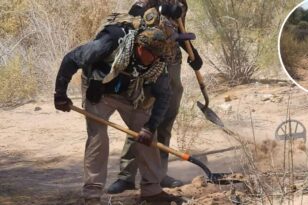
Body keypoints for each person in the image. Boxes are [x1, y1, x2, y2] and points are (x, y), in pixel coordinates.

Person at [54, 15, 186, 204]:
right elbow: (71, 59)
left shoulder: (158, 64)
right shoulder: (110, 42)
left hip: (132, 92)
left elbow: (164, 96)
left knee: (148, 136)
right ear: (140, 47)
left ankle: (152, 190)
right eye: (153, 54)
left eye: (159, 55)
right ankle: (92, 193)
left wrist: (150, 127)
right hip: (99, 90)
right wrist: (60, 93)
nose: (156, 58)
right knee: (97, 136)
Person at [107, 0, 203, 194]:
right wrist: (160, 9)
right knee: (142, 119)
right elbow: (133, 17)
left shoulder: (182, 2)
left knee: (166, 118)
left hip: (172, 63)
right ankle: (126, 176)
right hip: (148, 64)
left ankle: (159, 174)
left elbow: (176, 31)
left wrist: (193, 53)